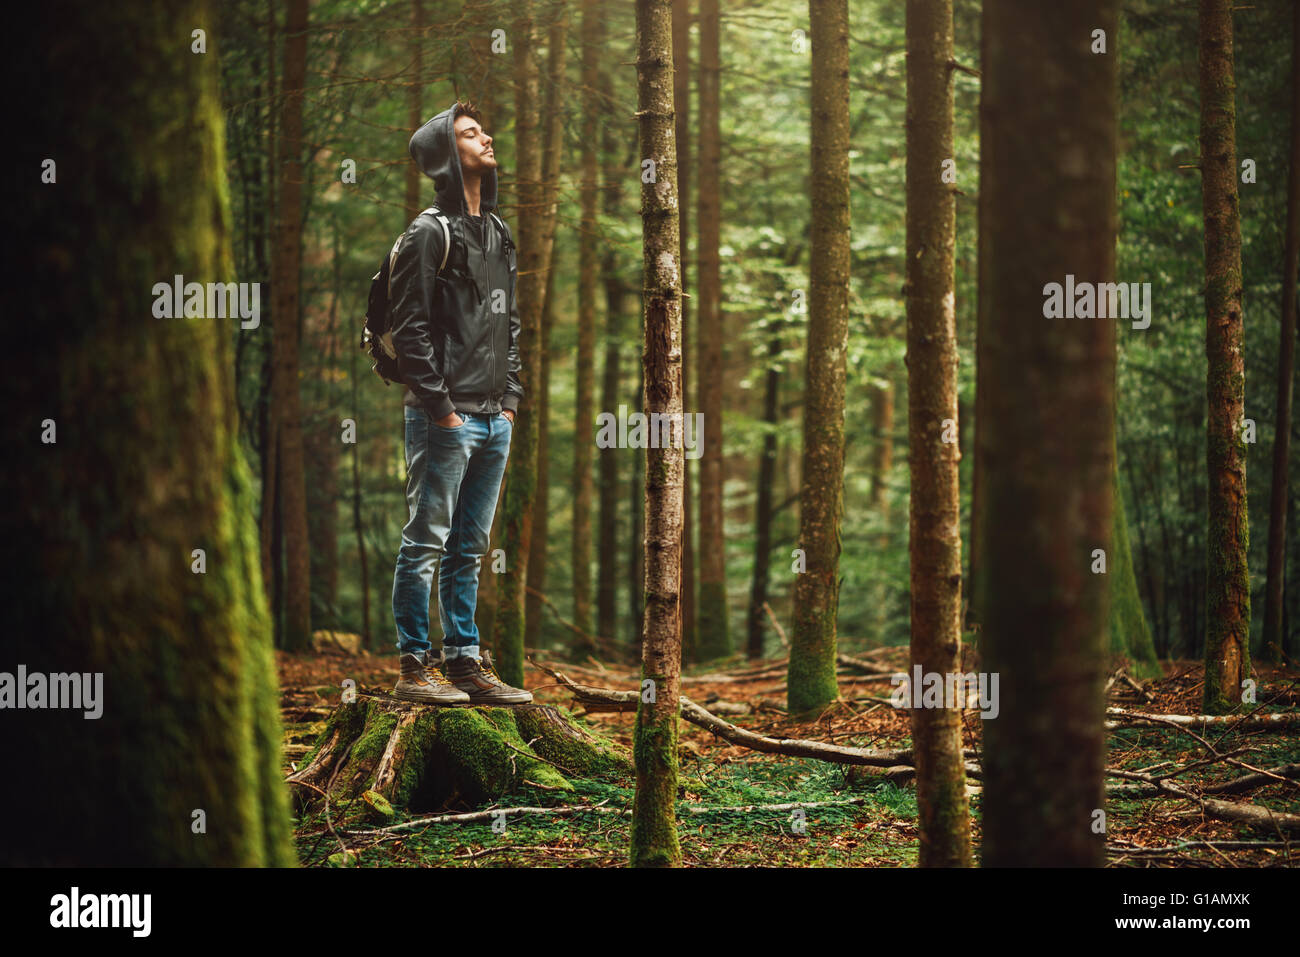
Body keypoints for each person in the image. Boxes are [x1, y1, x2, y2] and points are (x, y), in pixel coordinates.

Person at [387, 100, 532, 706]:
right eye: (470, 134)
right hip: (443, 417)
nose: (486, 138)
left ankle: (466, 662)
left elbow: (511, 323)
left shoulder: (497, 231)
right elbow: (410, 327)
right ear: (448, 154)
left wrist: (511, 401)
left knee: (470, 548)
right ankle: (413, 668)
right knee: (426, 541)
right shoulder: (428, 233)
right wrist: (443, 407)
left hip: (494, 415)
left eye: (483, 130)